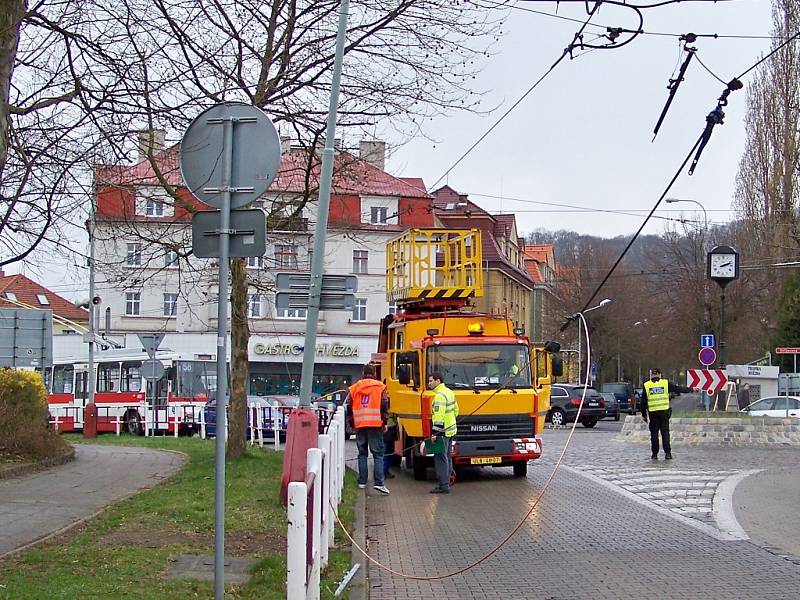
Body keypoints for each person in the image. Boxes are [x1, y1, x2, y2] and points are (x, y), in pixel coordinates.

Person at [346, 364, 390, 495]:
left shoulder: (354, 388)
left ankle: (362, 481)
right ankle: (379, 483)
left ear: (363, 372)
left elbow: (349, 407)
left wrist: (352, 424)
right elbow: (384, 405)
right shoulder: (380, 387)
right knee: (378, 454)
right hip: (375, 424)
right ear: (374, 372)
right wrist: (384, 422)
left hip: (360, 425)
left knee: (362, 454)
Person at [641, 367, 693, 460]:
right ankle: (668, 453)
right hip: (664, 413)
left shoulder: (646, 385)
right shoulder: (665, 383)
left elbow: (643, 401)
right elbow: (678, 389)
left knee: (654, 434)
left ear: (650, 375)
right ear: (660, 375)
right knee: (665, 433)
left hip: (653, 413)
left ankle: (654, 454)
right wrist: (691, 389)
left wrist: (644, 414)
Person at [428, 372, 459, 494]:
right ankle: (447, 482)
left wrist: (435, 433)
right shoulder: (449, 392)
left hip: (442, 431)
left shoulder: (440, 396)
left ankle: (443, 485)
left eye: (431, 381)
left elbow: (439, 416)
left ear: (438, 381)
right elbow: (456, 411)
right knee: (447, 457)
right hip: (451, 430)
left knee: (440, 458)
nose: (429, 383)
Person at [383, 412, 398, 479]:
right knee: (388, 453)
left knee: (386, 453)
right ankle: (383, 472)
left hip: (386, 429)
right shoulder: (387, 405)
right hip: (388, 429)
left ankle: (384, 472)